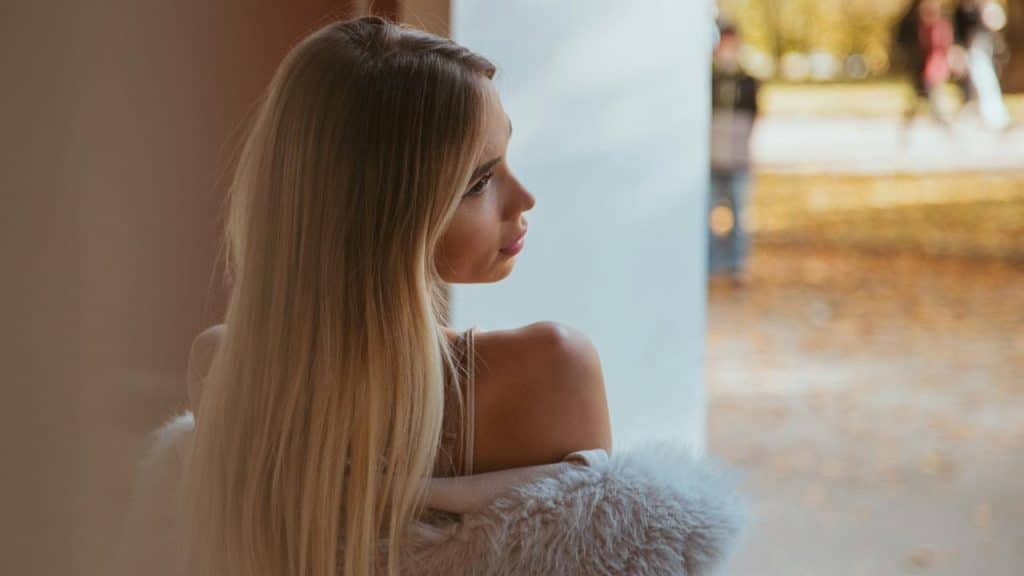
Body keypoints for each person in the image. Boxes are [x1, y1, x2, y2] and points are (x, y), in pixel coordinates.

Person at [183, 17, 613, 576]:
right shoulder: (553, 369)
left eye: (507, 157)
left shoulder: (225, 371)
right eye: (480, 182)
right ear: (382, 219)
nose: (524, 197)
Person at [708, 23, 759, 282]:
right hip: (712, 161)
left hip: (738, 160)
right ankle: (713, 264)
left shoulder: (748, 82)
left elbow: (753, 117)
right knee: (708, 217)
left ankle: (737, 265)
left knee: (739, 215)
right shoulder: (709, 81)